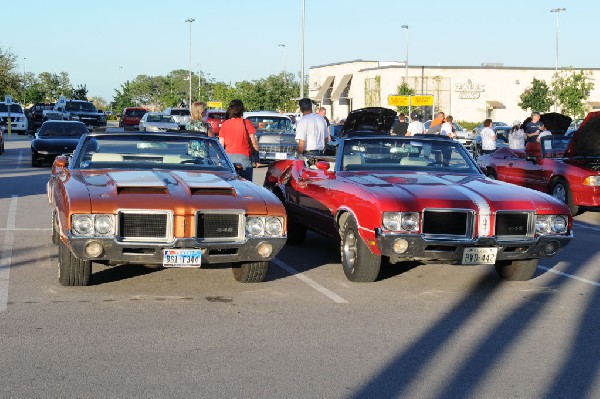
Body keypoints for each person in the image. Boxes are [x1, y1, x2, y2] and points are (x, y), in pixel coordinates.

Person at [218, 99, 259, 181]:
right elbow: (253, 142)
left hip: (228, 158)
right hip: (244, 158)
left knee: (230, 184)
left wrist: (220, 160)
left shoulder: (225, 124)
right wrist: (257, 158)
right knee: (246, 185)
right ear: (241, 110)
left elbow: (221, 144)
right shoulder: (246, 122)